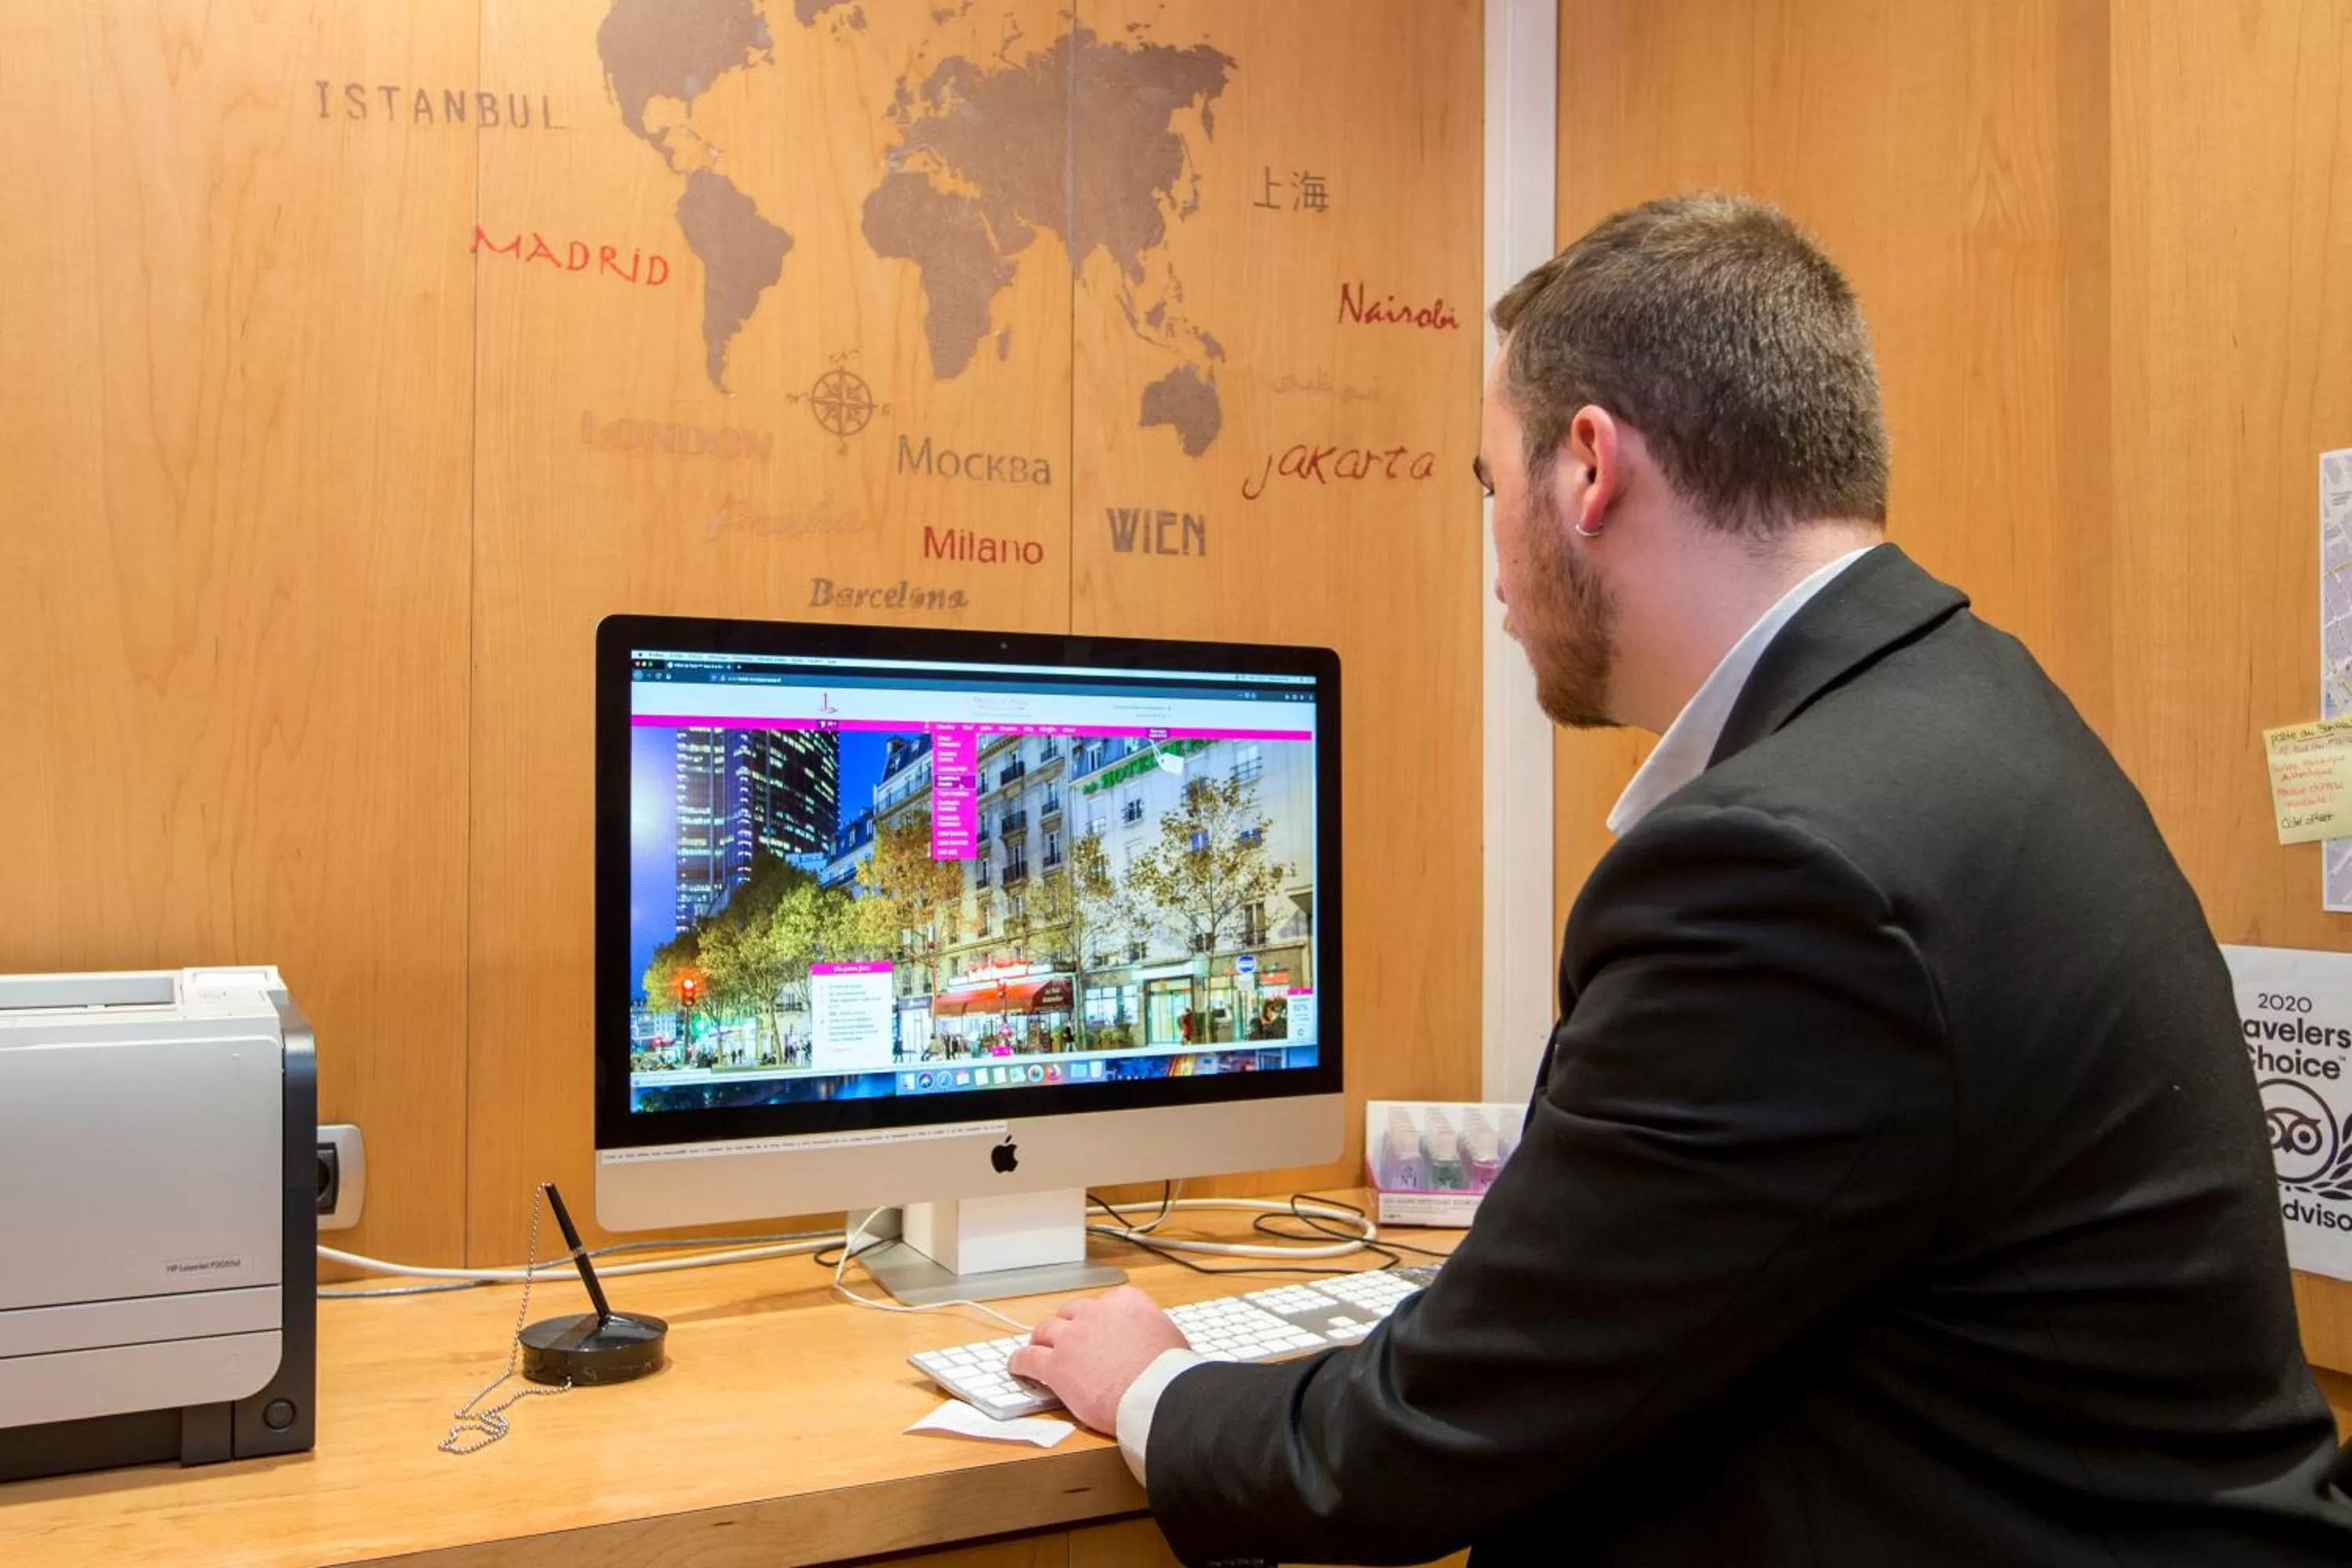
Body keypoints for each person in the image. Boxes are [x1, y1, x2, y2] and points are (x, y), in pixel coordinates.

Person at [1008, 194, 2352, 1566]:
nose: (1495, 577)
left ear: (1588, 467)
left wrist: (1155, 1385)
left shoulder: (1789, 866)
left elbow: (1428, 1443)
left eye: (1489, 488)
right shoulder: (1969, 707)